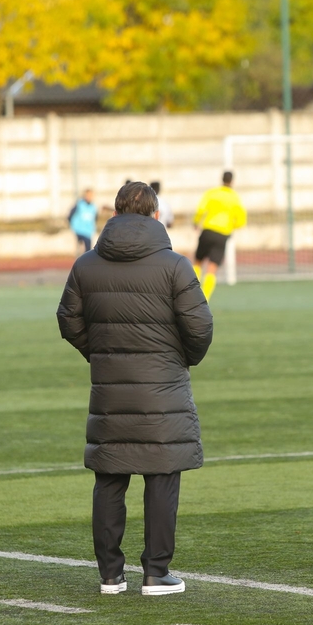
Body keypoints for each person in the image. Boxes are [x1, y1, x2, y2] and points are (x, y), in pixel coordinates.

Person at [57, 181, 213, 597]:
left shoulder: (85, 265)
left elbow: (67, 320)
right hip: (162, 387)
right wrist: (180, 358)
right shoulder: (175, 265)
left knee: (110, 476)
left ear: (115, 212)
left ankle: (110, 575)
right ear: (155, 215)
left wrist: (101, 353)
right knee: (161, 473)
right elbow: (200, 327)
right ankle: (156, 573)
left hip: (110, 387)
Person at [193, 171, 247, 301]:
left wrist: (196, 222)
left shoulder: (212, 193)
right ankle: (204, 298)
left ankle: (190, 292)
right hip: (222, 234)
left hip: (208, 230)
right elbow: (241, 221)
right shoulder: (234, 197)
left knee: (198, 262)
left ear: (221, 179)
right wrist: (230, 226)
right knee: (212, 267)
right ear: (232, 181)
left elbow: (201, 209)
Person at [68, 188, 99, 254]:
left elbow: (95, 218)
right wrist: (72, 225)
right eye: (88, 195)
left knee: (88, 250)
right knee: (81, 247)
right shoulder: (79, 204)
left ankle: (85, 262)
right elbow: (70, 215)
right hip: (79, 230)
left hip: (88, 231)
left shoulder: (93, 207)